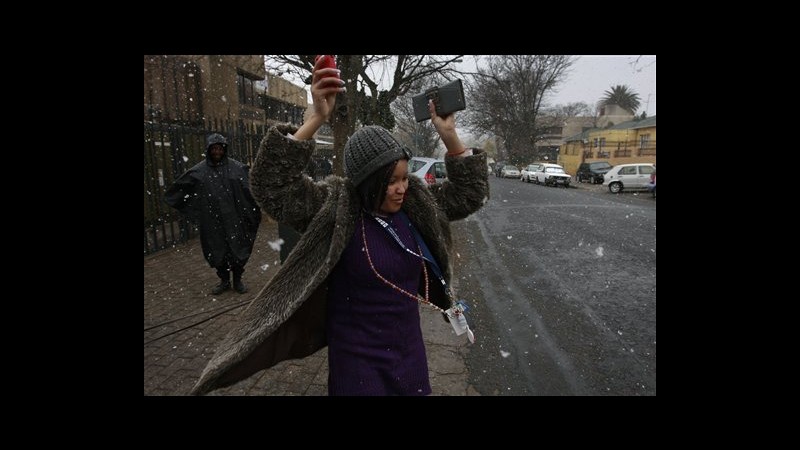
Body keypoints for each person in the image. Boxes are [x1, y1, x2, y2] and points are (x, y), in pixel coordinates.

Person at [190, 57, 489, 396]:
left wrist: (449, 135)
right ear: (366, 182)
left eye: (405, 178)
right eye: (391, 181)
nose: (402, 188)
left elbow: (469, 195)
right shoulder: (337, 209)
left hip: (409, 354)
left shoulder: (416, 204)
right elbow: (272, 187)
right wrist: (316, 118)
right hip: (356, 361)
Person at [164, 133, 261, 295]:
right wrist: (195, 211)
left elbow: (252, 188)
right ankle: (224, 280)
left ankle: (237, 280)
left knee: (238, 248)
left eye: (219, 148)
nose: (217, 152)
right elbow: (179, 190)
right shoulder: (199, 171)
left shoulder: (237, 168)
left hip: (235, 218)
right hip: (212, 220)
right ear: (209, 150)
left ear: (224, 149)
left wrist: (251, 210)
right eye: (214, 148)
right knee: (217, 250)